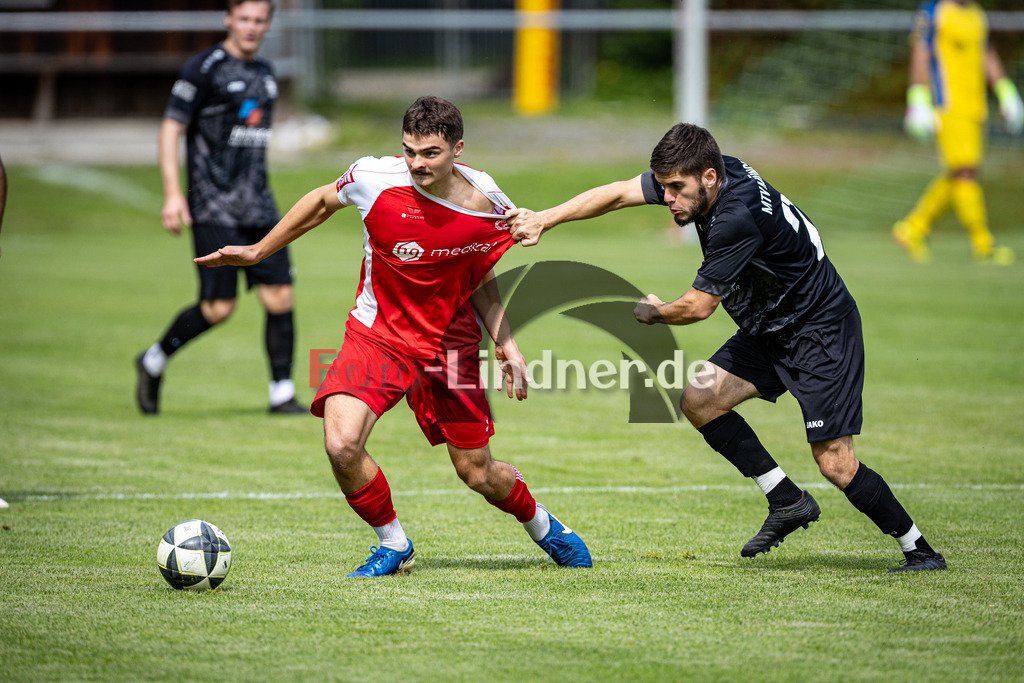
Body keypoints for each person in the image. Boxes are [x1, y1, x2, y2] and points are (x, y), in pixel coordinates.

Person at [506, 122, 946, 573]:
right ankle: (787, 500)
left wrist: (654, 312)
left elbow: (698, 308)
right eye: (664, 188)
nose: (669, 199)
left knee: (834, 461)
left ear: (708, 178)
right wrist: (545, 218)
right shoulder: (711, 174)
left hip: (819, 331)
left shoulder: (735, 217)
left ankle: (920, 550)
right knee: (700, 399)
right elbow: (619, 193)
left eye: (676, 189)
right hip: (770, 326)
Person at [195, 96, 592, 577]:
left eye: (430, 153)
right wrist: (259, 252)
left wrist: (507, 344)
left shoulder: (487, 201)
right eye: (410, 151)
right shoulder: (372, 178)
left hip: (450, 343)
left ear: (457, 150)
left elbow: (479, 276)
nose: (418, 164)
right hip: (377, 335)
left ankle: (546, 529)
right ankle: (393, 543)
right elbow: (321, 201)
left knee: (477, 472)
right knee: (341, 444)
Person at [135, 0, 305, 415]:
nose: (251, 27)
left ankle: (281, 394)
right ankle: (154, 358)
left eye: (259, 20)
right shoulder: (203, 67)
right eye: (243, 18)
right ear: (228, 19)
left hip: (261, 207)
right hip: (214, 206)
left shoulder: (266, 73)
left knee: (280, 295)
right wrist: (174, 193)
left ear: (268, 24)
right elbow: (170, 128)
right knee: (218, 309)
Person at [893, 0, 1022, 265]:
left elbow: (987, 53)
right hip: (948, 104)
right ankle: (983, 244)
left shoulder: (977, 13)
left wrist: (1005, 90)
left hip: (976, 107)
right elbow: (921, 51)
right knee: (966, 171)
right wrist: (917, 96)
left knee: (959, 173)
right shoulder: (932, 12)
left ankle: (912, 228)